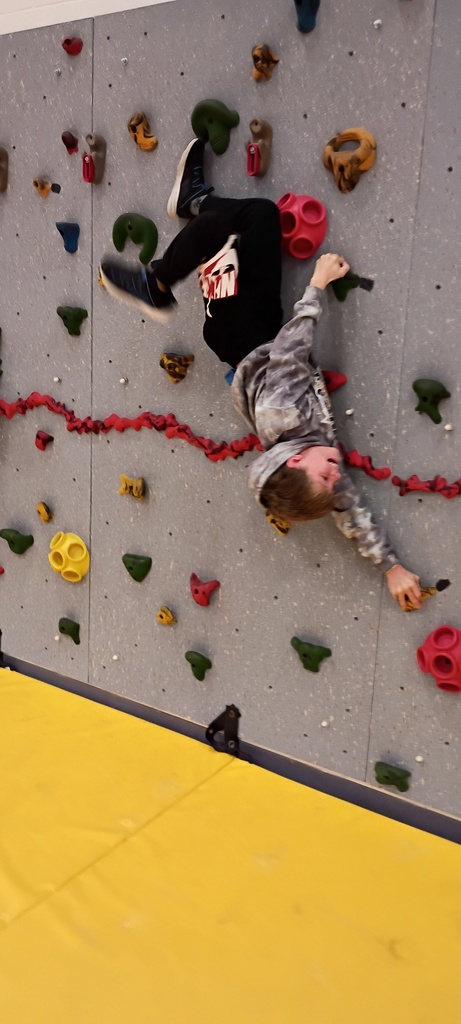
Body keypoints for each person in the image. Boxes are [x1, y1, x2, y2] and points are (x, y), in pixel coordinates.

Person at [100, 138, 422, 610]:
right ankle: (194, 203)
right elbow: (350, 514)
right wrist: (391, 568)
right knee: (258, 218)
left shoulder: (284, 417)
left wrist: (318, 283)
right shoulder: (313, 473)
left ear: (294, 462)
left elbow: (293, 350)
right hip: (257, 342)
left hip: (244, 334)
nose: (338, 471)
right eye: (335, 479)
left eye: (328, 473)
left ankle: (158, 282)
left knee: (221, 230)